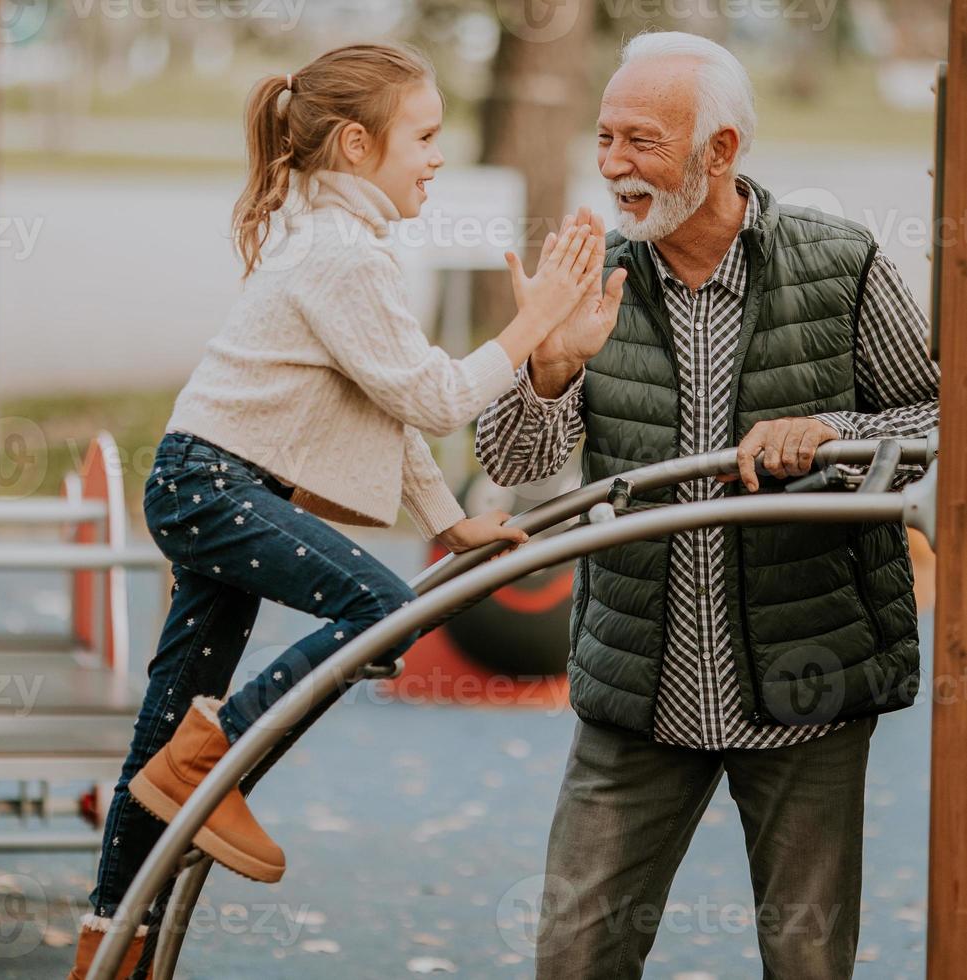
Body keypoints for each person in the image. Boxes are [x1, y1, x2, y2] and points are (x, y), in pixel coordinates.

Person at [67, 40, 614, 977]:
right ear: (357, 146)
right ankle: (216, 757)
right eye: (425, 136)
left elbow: (388, 417)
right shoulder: (340, 254)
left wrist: (445, 523)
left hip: (209, 484)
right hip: (215, 486)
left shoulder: (341, 242)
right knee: (381, 611)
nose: (438, 156)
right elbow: (438, 399)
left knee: (162, 734)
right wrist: (532, 326)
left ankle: (107, 945)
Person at [474, 31, 940, 979]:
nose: (611, 166)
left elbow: (928, 415)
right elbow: (507, 460)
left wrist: (829, 429)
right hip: (639, 691)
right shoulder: (588, 273)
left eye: (639, 141)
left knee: (807, 964)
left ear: (719, 151)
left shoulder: (837, 261)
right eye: (604, 139)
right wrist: (552, 367)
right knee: (573, 956)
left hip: (805, 689)